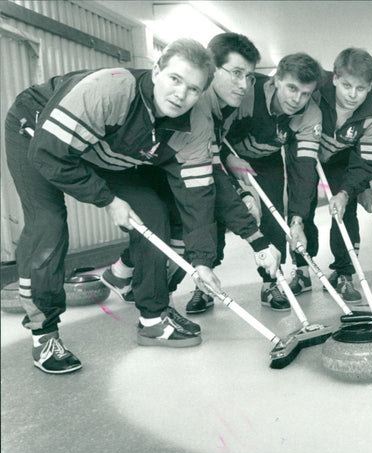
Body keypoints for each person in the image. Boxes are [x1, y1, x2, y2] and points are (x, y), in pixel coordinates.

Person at [5, 38, 224, 374]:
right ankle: (43, 333)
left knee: (152, 214)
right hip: (38, 132)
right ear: (156, 71)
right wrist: (107, 200)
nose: (181, 94)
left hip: (100, 145)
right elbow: (49, 156)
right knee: (48, 224)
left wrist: (203, 260)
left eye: (193, 89)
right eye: (175, 79)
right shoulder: (110, 90)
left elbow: (197, 199)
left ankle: (152, 317)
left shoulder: (196, 126)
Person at [101, 33, 282, 315]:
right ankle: (155, 306)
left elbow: (213, 164)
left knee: (189, 236)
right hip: (151, 173)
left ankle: (130, 277)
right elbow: (211, 177)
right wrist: (255, 237)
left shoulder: (224, 107)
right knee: (175, 232)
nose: (244, 84)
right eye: (236, 73)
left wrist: (239, 187)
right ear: (212, 73)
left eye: (248, 77)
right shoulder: (199, 107)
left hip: (181, 174)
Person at [223, 52, 323, 311]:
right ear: (276, 80)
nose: (297, 99)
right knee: (213, 221)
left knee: (274, 218)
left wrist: (298, 219)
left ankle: (270, 285)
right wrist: (226, 159)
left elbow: (304, 169)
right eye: (291, 88)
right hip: (222, 159)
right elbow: (210, 134)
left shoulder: (310, 113)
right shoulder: (247, 92)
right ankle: (202, 285)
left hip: (266, 162)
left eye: (305, 93)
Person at [307, 47, 372, 303]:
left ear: (370, 86)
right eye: (347, 86)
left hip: (341, 158)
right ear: (335, 79)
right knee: (303, 208)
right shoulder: (316, 91)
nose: (353, 95)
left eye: (361, 89)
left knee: (345, 208)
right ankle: (300, 270)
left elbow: (365, 161)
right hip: (306, 153)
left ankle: (344, 274)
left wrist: (347, 191)